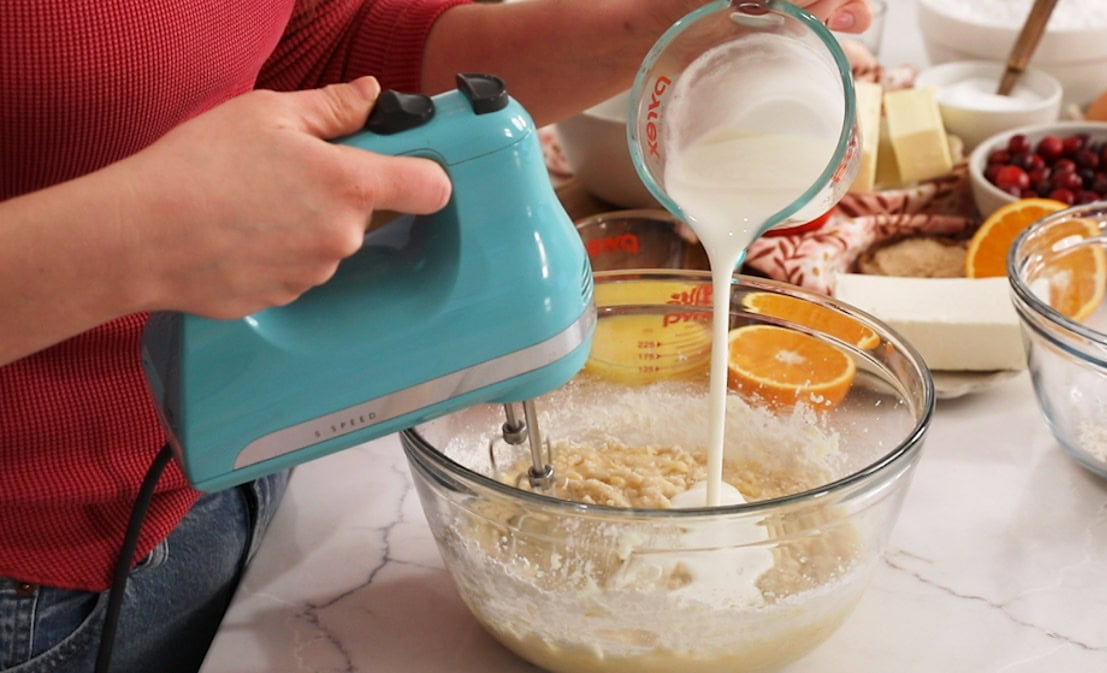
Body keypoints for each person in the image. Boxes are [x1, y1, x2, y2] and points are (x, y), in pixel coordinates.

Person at [0, 0, 873, 671]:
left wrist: (658, 26)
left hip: (248, 483)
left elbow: (328, 43)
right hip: (36, 578)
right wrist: (143, 235)